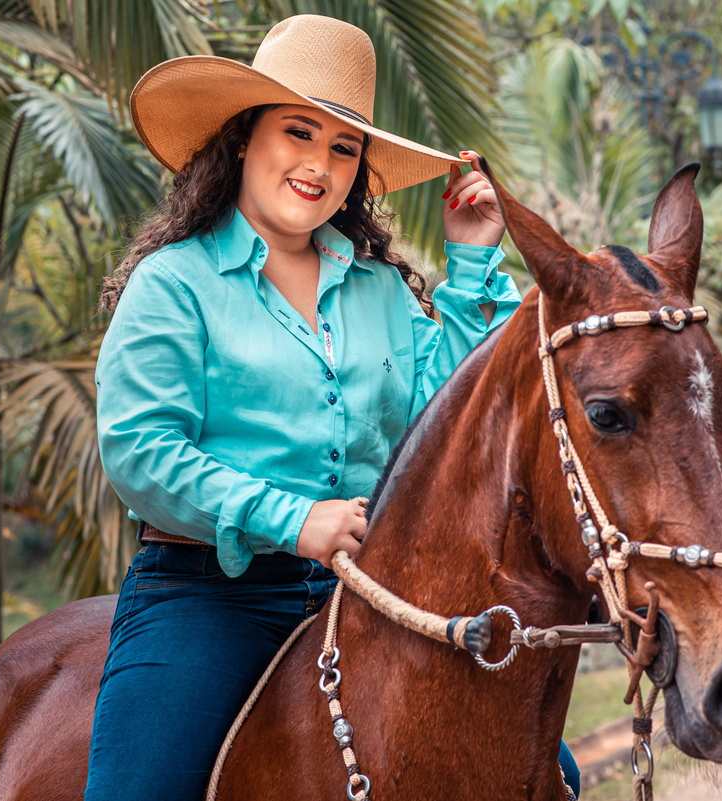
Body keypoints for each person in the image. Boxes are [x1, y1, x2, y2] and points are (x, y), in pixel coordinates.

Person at [88, 14, 580, 800]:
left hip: (374, 595)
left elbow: (451, 424)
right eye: (298, 132)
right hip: (208, 596)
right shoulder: (173, 285)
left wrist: (474, 255)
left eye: (344, 147)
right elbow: (142, 453)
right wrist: (292, 518)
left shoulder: (382, 289)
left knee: (551, 776)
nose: (319, 163)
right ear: (243, 137)